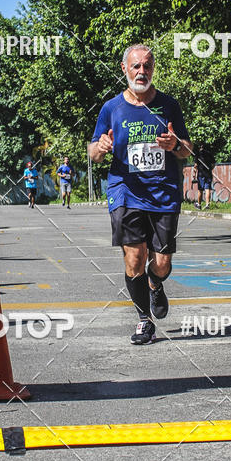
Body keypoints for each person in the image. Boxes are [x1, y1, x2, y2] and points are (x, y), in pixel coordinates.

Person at [89, 44, 192, 345]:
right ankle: (144, 320)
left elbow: (187, 150)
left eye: (147, 66)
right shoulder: (111, 108)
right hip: (125, 191)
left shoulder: (168, 105)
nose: (141, 72)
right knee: (134, 257)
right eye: (136, 66)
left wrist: (175, 145)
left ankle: (155, 284)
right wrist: (101, 148)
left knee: (161, 263)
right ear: (124, 69)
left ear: (153, 68)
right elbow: (93, 151)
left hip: (164, 193)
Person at [192, 143, 216, 209]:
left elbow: (196, 165)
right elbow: (213, 164)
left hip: (201, 174)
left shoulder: (198, 154)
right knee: (207, 189)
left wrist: (194, 174)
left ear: (200, 147)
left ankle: (199, 204)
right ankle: (207, 204)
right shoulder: (209, 154)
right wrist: (210, 169)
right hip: (208, 174)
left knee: (200, 189)